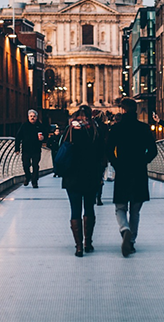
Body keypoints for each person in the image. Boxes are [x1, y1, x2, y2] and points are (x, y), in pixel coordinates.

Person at [107, 97, 158, 257]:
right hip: (139, 172)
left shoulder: (116, 128)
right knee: (135, 210)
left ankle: (124, 229)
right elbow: (153, 151)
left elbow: (108, 149)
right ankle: (132, 242)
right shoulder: (143, 128)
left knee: (120, 207)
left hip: (123, 172)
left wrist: (116, 163)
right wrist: (143, 161)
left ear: (122, 110)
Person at [61, 105, 105, 257]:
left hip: (72, 176)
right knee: (89, 208)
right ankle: (88, 243)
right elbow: (101, 154)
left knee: (75, 210)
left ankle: (78, 247)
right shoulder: (94, 130)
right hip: (90, 176)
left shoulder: (70, 130)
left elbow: (61, 149)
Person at [14, 109, 45, 188]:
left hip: (36, 150)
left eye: (34, 116)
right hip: (26, 150)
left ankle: (34, 181)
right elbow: (18, 137)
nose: (32, 118)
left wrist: (43, 139)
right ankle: (28, 177)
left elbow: (45, 135)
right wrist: (17, 149)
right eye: (31, 116)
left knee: (35, 165)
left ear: (36, 117)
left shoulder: (40, 126)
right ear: (28, 117)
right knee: (26, 165)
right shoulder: (24, 126)